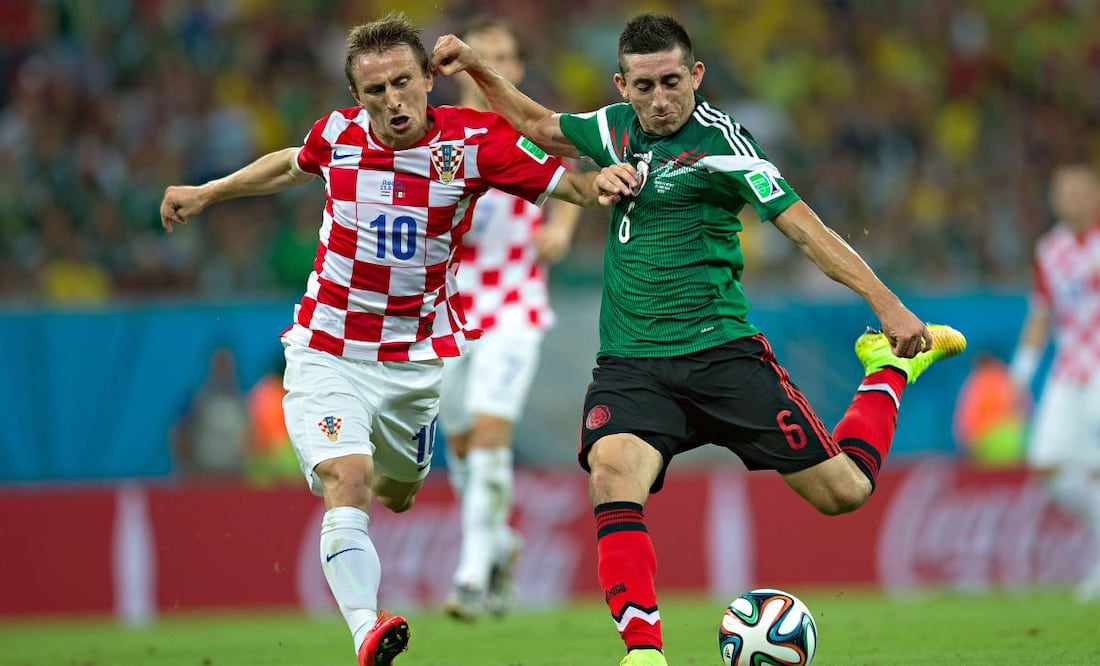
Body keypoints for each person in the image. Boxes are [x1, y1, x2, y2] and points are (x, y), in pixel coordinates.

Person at [431, 12, 966, 666]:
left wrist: (887, 306)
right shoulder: (611, 127)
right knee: (611, 471)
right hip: (632, 364)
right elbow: (540, 127)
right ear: (622, 85)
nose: (660, 100)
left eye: (672, 82)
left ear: (697, 76)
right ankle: (644, 652)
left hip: (721, 355)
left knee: (845, 492)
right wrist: (480, 68)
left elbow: (805, 229)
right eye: (645, 86)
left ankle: (885, 370)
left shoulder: (725, 145)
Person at [160, 13, 631, 666]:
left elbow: (567, 183)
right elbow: (289, 165)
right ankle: (366, 629)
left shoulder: (474, 141)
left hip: (413, 365)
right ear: (357, 96)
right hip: (326, 349)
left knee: (398, 491)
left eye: (402, 83)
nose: (391, 101)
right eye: (375, 91)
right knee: (345, 478)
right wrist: (209, 192)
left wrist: (600, 185)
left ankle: (408, 499)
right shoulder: (338, 135)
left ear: (428, 81)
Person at [437, 16, 583, 622]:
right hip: (446, 305)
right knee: (462, 441)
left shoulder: (531, 128)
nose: (487, 62)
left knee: (493, 432)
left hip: (516, 304)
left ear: (517, 68)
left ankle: (470, 573)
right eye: (479, 53)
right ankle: (498, 545)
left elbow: (580, 175)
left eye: (500, 55)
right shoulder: (436, 134)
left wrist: (564, 227)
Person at [1010, 163, 1100, 603]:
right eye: (1066, 192)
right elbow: (1041, 313)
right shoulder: (1050, 249)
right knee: (1046, 466)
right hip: (1068, 372)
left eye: (1082, 191)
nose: (1074, 199)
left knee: (1096, 468)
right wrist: (1022, 372)